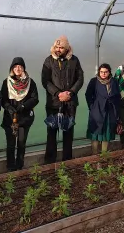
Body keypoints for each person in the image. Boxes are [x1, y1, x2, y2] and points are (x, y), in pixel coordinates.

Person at [42, 36, 84, 164]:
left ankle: (67, 161)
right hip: (53, 104)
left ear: (66, 49)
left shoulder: (74, 60)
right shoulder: (48, 61)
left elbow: (80, 79)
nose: (58, 49)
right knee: (52, 133)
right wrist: (58, 93)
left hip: (70, 104)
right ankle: (50, 162)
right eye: (56, 47)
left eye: (61, 48)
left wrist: (70, 93)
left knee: (68, 133)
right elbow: (45, 81)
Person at [1, 57, 39, 171]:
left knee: (21, 144)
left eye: (20, 66)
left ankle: (19, 166)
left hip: (24, 118)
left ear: (23, 68)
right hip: (10, 118)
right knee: (11, 144)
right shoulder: (6, 82)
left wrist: (24, 106)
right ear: (12, 68)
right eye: (15, 66)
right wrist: (9, 107)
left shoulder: (30, 82)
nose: (18, 68)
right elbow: (2, 99)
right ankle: (10, 167)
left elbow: (35, 98)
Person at [85, 63, 121, 154]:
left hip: (110, 111)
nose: (103, 74)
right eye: (101, 72)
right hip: (97, 111)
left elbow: (117, 96)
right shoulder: (94, 81)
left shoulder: (114, 82)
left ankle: (104, 154)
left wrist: (116, 109)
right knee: (95, 133)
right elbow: (88, 95)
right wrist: (92, 107)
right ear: (99, 72)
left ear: (109, 72)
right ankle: (94, 154)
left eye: (105, 72)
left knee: (106, 133)